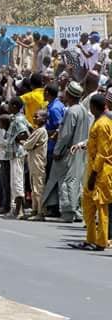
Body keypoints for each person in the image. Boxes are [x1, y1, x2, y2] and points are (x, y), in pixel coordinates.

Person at [43, 81, 90, 222]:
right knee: (76, 182)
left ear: (69, 94)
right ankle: (77, 212)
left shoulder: (71, 111)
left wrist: (58, 151)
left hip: (68, 153)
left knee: (66, 182)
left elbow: (65, 135)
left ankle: (68, 213)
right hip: (80, 152)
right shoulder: (83, 110)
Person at [70, 93, 112, 251]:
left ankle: (101, 242)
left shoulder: (103, 125)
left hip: (101, 172)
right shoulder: (98, 122)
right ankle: (90, 238)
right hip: (93, 169)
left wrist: (94, 175)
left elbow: (103, 152)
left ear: (94, 107)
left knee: (101, 207)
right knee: (87, 204)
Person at [24, 109, 49, 221]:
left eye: (36, 116)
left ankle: (41, 212)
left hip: (38, 162)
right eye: (33, 116)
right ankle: (34, 210)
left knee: (38, 187)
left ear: (43, 119)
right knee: (33, 186)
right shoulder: (37, 130)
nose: (34, 118)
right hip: (33, 161)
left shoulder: (41, 131)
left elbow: (28, 145)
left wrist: (23, 143)